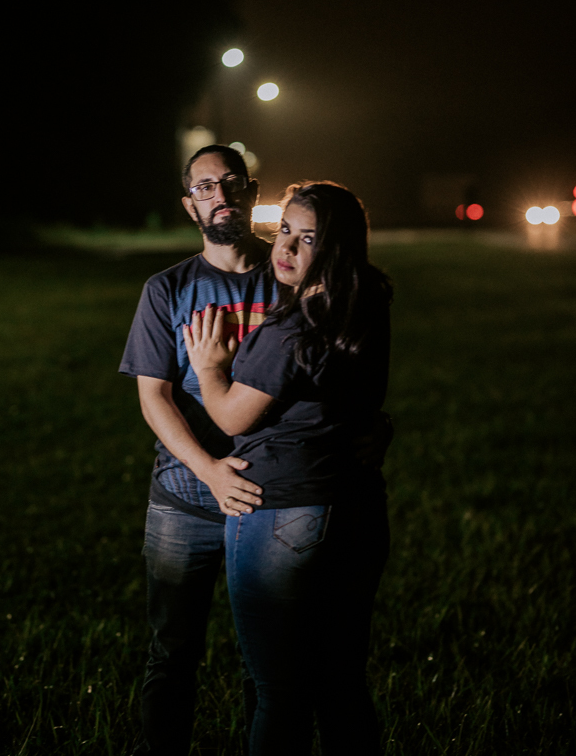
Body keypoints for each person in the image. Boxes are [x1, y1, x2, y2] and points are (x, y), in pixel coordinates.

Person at [119, 151, 391, 756]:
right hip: (185, 499)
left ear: (251, 192)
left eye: (231, 182)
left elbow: (340, 366)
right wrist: (208, 470)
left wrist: (377, 423)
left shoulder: (292, 275)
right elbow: (154, 399)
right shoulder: (168, 289)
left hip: (270, 504)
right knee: (172, 651)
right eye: (204, 186)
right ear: (190, 204)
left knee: (269, 667)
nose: (219, 194)